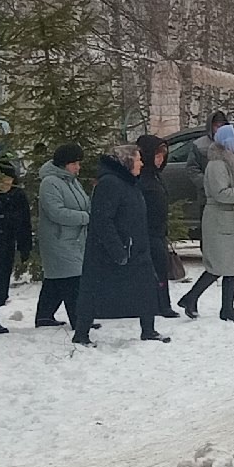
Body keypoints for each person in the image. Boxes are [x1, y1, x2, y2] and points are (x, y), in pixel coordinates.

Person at [77, 141, 166, 344]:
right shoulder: (110, 183)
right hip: (110, 251)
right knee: (95, 292)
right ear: (126, 162)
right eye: (138, 160)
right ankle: (81, 333)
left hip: (136, 248)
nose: (142, 164)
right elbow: (102, 220)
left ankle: (148, 329)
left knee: (145, 288)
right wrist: (117, 249)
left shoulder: (130, 182)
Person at [179, 120, 234, 321]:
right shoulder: (217, 164)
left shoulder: (232, 160)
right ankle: (193, 297)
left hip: (230, 218)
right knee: (220, 265)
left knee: (231, 265)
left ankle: (224, 307)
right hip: (220, 219)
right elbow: (220, 193)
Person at [34, 145, 91, 329]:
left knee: (56, 279)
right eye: (74, 163)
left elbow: (84, 203)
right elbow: (56, 212)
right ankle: (79, 320)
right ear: (63, 164)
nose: (77, 167)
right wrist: (85, 218)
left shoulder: (72, 181)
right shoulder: (50, 183)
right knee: (72, 279)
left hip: (74, 238)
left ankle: (44, 316)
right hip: (58, 240)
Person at [134, 134, 180, 317]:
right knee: (153, 269)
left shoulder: (156, 176)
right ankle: (157, 304)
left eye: (163, 156)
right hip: (147, 231)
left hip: (158, 231)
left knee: (160, 268)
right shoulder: (142, 178)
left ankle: (162, 303)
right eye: (157, 155)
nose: (160, 160)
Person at [0, 157, 32, 316]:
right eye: (0, 180)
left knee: (1, 285)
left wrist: (25, 247)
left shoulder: (18, 195)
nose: (4, 184)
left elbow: (24, 223)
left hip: (7, 245)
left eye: (7, 179)